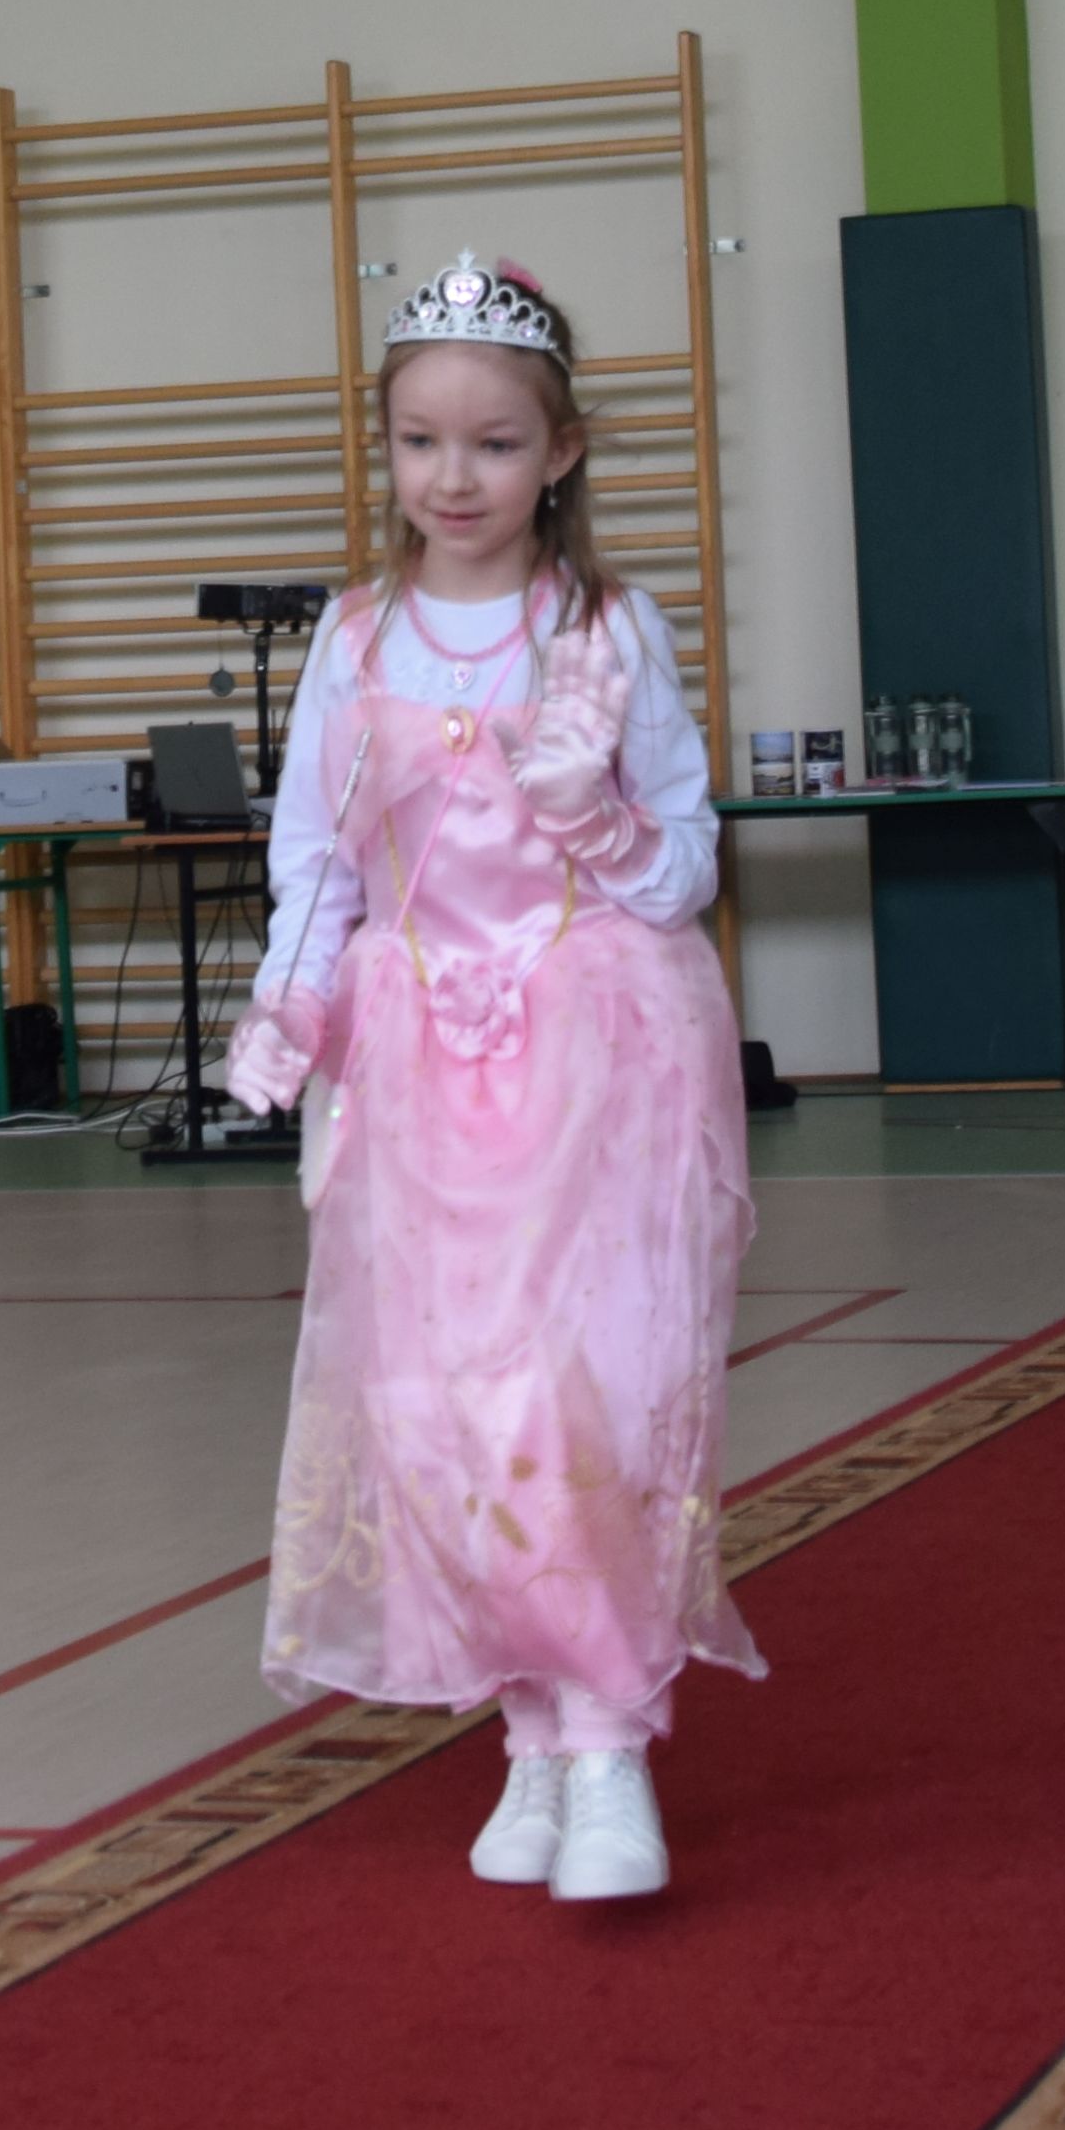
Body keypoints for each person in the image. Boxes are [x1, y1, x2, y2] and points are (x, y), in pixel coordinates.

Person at [223, 254, 747, 1905]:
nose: (455, 479)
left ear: (561, 452)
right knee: (442, 1408)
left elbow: (687, 865)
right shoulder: (356, 637)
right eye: (421, 442)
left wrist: (596, 810)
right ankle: (531, 1730)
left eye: (497, 444)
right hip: (419, 1074)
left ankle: (609, 1738)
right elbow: (320, 858)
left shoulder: (605, 629)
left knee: (571, 1396)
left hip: (595, 1057)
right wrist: (296, 1006)